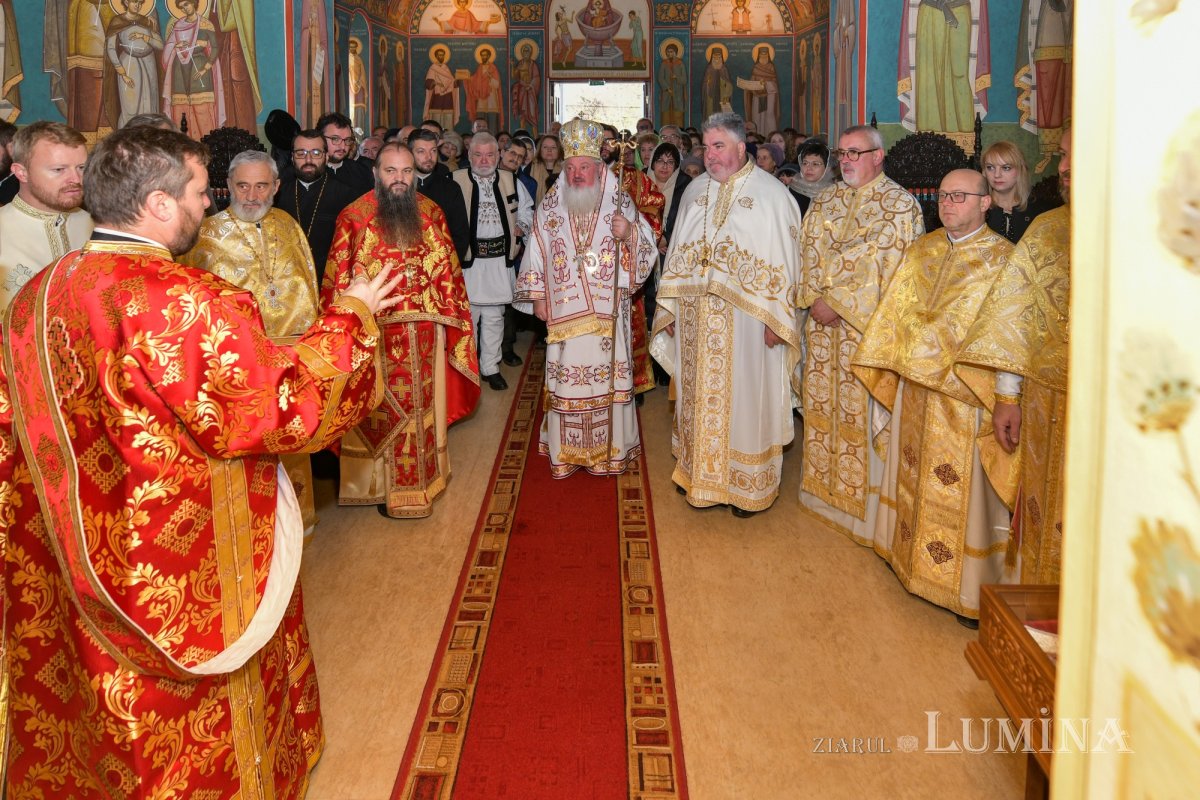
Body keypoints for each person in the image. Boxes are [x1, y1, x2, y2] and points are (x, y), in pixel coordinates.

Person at [0, 124, 403, 799]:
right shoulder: (182, 300)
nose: (206, 203)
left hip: (73, 552)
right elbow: (282, 407)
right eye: (196, 191)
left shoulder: (35, 296)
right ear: (158, 203)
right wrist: (352, 317)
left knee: (91, 691)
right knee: (195, 719)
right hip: (179, 558)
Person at [852, 168, 1015, 625]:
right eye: (943, 196)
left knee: (961, 491)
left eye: (960, 196)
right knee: (910, 474)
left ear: (985, 202)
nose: (948, 203)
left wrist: (1007, 394)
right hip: (915, 393)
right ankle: (903, 558)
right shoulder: (921, 250)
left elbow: (1010, 340)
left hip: (965, 399)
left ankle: (965, 588)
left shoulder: (1005, 260)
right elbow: (894, 316)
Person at [650, 112, 803, 517]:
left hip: (749, 325)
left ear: (740, 146)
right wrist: (670, 310)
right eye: (706, 147)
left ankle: (747, 485)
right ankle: (697, 473)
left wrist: (778, 320)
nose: (710, 155)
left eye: (718, 146)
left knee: (745, 403)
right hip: (695, 320)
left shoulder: (772, 196)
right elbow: (679, 254)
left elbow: (788, 264)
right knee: (695, 398)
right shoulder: (695, 190)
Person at [322, 142, 480, 517]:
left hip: (425, 334)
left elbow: (449, 275)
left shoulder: (431, 213)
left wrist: (452, 322)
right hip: (374, 335)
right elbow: (336, 282)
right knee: (378, 409)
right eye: (391, 171)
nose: (399, 179)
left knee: (422, 411)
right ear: (376, 173)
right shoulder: (353, 217)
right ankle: (378, 487)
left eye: (407, 171)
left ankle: (424, 481)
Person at [180, 149, 323, 535]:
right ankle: (251, 531)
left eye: (261, 186)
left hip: (289, 362)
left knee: (292, 443)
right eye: (243, 185)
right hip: (237, 368)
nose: (252, 195)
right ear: (228, 186)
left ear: (276, 186)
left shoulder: (288, 225)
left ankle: (298, 524)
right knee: (247, 453)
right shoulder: (204, 237)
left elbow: (309, 286)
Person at [956, 129, 1073, 586]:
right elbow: (1014, 314)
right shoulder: (1047, 230)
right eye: (1062, 156)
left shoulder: (1034, 219)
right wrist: (1008, 392)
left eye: (1006, 167)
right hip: (1038, 389)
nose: (1064, 166)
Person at [798, 125, 924, 541]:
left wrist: (837, 302)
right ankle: (821, 494)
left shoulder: (900, 207)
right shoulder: (825, 199)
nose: (846, 160)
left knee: (863, 412)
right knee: (822, 407)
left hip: (865, 333)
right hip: (821, 329)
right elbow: (807, 251)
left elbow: (897, 271)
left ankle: (865, 514)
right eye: (842, 153)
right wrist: (815, 298)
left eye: (855, 152)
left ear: (878, 156)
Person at [514, 117, 656, 477]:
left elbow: (646, 251)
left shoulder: (619, 202)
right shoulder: (550, 205)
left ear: (598, 167)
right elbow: (536, 251)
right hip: (564, 313)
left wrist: (630, 233)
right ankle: (568, 452)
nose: (577, 174)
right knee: (567, 381)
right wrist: (538, 298)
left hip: (608, 313)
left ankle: (609, 450)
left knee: (606, 378)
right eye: (571, 167)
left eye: (584, 167)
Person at [452, 132, 533, 390]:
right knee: (469, 317)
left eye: (489, 155)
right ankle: (469, 368)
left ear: (498, 156)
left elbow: (527, 210)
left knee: (495, 317)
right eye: (478, 155)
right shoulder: (455, 180)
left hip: (499, 261)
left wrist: (522, 225)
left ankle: (490, 366)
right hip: (469, 263)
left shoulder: (511, 180)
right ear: (469, 155)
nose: (484, 160)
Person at [0, 122, 93, 311]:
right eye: (59, 170)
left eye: (81, 167)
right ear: (22, 173)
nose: (76, 179)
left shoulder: (99, 226)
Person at [274, 127, 360, 284]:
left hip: (330, 282)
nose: (308, 160)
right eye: (301, 153)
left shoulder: (348, 196)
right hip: (287, 280)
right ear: (292, 158)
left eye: (316, 153)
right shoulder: (277, 196)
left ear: (326, 157)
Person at [161, 0, 222, 138]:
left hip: (199, 66)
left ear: (194, 3)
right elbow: (169, 46)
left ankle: (206, 143)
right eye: (181, 7)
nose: (185, 9)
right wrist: (176, 46)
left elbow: (215, 48)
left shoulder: (205, 24)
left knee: (202, 108)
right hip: (179, 69)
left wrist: (204, 69)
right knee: (180, 109)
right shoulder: (178, 25)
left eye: (187, 4)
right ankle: (183, 143)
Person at [410, 127, 471, 264]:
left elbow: (460, 235)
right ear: (409, 153)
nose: (429, 157)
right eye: (421, 151)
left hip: (442, 266)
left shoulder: (451, 188)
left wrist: (446, 265)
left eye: (433, 151)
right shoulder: (400, 187)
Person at [103, 0, 164, 129]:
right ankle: (127, 137)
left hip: (149, 64)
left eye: (140, 2)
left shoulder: (147, 21)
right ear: (126, 2)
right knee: (130, 106)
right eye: (134, 1)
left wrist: (144, 36)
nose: (137, 5)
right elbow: (111, 48)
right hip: (129, 65)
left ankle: (149, 137)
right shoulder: (117, 21)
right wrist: (123, 74)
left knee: (149, 105)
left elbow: (160, 45)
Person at [981, 140, 1058, 243]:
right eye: (990, 167)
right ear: (984, 172)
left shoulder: (1042, 210)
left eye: (1006, 168)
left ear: (1020, 170)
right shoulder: (976, 209)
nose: (997, 175)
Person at [318, 111, 373, 195]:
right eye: (335, 139)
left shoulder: (362, 172)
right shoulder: (310, 172)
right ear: (320, 138)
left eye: (347, 140)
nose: (343, 146)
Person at [788, 139, 834, 215]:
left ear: (827, 168)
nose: (809, 168)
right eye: (805, 163)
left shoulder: (833, 193)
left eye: (815, 164)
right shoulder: (791, 189)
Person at [465, 46, 503, 134]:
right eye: (482, 55)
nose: (483, 57)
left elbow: (497, 84)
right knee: (480, 117)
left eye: (485, 55)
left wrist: (490, 77)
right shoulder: (479, 68)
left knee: (492, 122)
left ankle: (492, 138)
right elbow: (475, 81)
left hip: (491, 98)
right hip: (481, 98)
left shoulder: (493, 68)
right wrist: (467, 79)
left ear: (489, 56)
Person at [744, 46, 781, 135]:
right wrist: (749, 86)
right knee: (757, 116)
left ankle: (770, 135)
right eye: (762, 54)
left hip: (769, 94)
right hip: (757, 94)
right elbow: (752, 81)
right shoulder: (756, 67)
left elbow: (774, 83)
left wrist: (765, 84)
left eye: (765, 54)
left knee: (769, 114)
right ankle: (758, 135)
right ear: (758, 55)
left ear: (768, 55)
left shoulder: (771, 66)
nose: (763, 56)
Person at [423, 46, 459, 132]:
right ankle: (435, 133)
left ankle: (448, 134)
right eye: (439, 55)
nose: (441, 57)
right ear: (436, 56)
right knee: (436, 117)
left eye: (442, 55)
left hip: (448, 98)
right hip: (437, 98)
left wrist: (457, 81)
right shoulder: (433, 68)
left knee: (448, 117)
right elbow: (428, 83)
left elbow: (452, 81)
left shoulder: (446, 68)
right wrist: (434, 83)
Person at [511, 42, 541, 133]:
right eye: (524, 51)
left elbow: (536, 77)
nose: (526, 53)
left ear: (530, 53)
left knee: (532, 113)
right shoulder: (520, 64)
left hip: (530, 91)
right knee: (522, 114)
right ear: (522, 53)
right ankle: (522, 135)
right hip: (522, 91)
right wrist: (513, 66)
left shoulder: (533, 64)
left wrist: (531, 85)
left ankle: (536, 137)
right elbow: (514, 76)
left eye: (527, 51)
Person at [658, 45, 687, 129]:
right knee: (666, 114)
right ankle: (665, 131)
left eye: (671, 52)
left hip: (678, 94)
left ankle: (679, 132)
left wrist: (676, 77)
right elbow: (660, 78)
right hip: (667, 93)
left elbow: (684, 79)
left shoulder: (680, 64)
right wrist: (667, 88)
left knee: (678, 114)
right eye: (668, 52)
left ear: (675, 53)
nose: (669, 54)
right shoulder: (664, 64)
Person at [530, 133, 563, 205]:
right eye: (545, 147)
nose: (549, 150)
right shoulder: (530, 167)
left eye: (553, 147)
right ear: (540, 150)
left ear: (559, 150)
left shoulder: (566, 169)